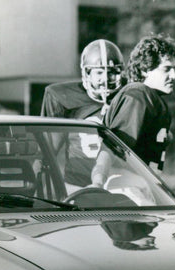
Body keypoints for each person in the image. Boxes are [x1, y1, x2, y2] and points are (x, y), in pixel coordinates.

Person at [91, 32, 175, 191]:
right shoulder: (139, 95)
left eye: (173, 69)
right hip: (126, 185)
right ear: (145, 69)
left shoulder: (152, 99)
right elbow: (113, 146)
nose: (173, 75)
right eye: (167, 69)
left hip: (140, 184)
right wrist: (98, 182)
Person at [40, 39, 125, 189]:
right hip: (76, 183)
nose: (105, 78)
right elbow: (49, 149)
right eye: (99, 72)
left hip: (117, 181)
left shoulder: (127, 99)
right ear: (87, 73)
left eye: (111, 72)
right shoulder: (66, 98)